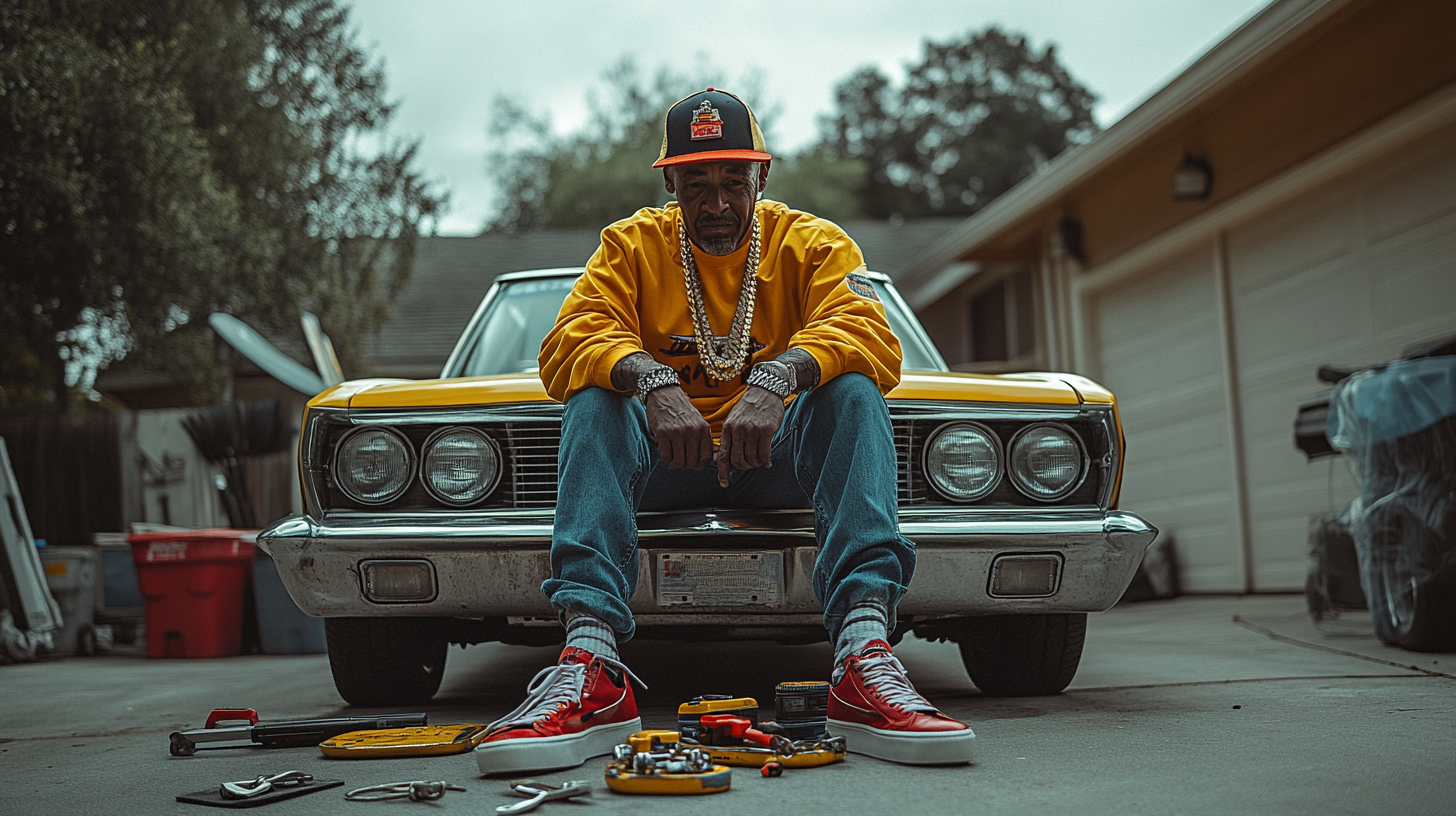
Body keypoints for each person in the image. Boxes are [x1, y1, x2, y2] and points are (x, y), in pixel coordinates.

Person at [474, 88, 973, 774]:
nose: (715, 204)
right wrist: (650, 380)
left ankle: (862, 656)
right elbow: (569, 341)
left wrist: (779, 378)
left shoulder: (813, 244)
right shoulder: (631, 245)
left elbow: (869, 335)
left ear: (762, 179)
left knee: (853, 389)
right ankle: (591, 663)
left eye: (733, 182)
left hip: (776, 460)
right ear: (670, 183)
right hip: (660, 465)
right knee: (594, 396)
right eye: (696, 184)